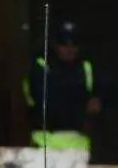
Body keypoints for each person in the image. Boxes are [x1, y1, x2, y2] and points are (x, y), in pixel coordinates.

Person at [22, 20, 104, 152]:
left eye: (74, 43)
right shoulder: (40, 67)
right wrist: (82, 104)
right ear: (55, 44)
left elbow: (105, 101)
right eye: (64, 43)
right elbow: (47, 104)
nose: (69, 48)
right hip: (45, 146)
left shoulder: (87, 68)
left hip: (78, 147)